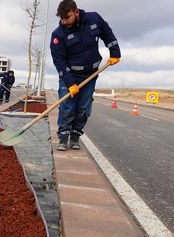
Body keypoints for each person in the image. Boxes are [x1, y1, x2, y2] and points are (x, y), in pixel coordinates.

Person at [50, 0, 120, 150]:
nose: (64, 21)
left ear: (76, 12)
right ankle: (63, 137)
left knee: (83, 108)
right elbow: (59, 61)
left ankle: (75, 137)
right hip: (70, 76)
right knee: (67, 108)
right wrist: (70, 83)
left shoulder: (94, 19)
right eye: (61, 18)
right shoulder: (58, 35)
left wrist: (115, 52)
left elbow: (107, 33)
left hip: (90, 75)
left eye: (67, 17)